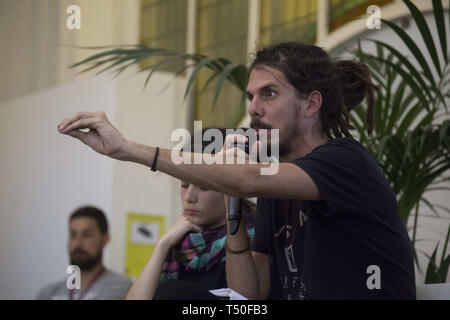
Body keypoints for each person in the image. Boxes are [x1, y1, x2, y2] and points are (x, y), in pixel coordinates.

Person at [57, 42, 416, 300]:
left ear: (311, 103)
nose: (254, 108)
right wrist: (232, 202)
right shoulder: (275, 190)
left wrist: (127, 149)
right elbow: (247, 296)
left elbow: (247, 177)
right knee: (178, 298)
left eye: (270, 94)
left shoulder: (345, 160)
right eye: (251, 96)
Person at [126, 129, 255, 300]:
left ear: (227, 187)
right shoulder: (180, 243)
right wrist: (162, 246)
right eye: (184, 185)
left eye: (203, 187)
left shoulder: (254, 235)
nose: (189, 198)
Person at [36, 206, 133, 300]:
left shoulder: (121, 286)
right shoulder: (48, 292)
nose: (78, 243)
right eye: (73, 235)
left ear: (105, 239)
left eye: (87, 235)